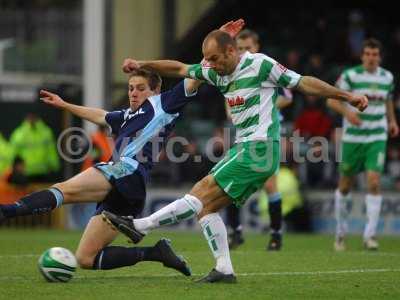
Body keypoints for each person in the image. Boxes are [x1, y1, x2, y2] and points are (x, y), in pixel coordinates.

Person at [102, 27, 368, 283]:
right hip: (246, 148)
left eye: (215, 58)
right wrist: (141, 63)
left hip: (260, 147)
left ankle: (142, 226)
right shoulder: (216, 71)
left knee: (201, 189)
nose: (211, 65)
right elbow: (180, 68)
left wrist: (346, 96)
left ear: (231, 52)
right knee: (206, 208)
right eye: (207, 59)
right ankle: (224, 269)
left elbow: (304, 83)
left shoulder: (260, 65)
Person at [0, 69, 201, 276]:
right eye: (131, 88)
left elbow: (194, 77)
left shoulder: (164, 103)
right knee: (86, 258)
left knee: (63, 190)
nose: (133, 93)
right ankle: (156, 253)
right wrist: (64, 105)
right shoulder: (127, 116)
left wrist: (215, 48)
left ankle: (7, 211)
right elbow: (100, 115)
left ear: (156, 90)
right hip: (131, 188)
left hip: (126, 171)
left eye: (140, 89)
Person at [327, 38, 399, 251]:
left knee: (374, 182)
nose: (371, 58)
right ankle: (340, 233)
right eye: (367, 54)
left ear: (380, 57)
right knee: (345, 184)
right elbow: (331, 100)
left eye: (374, 54)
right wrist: (348, 113)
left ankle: (370, 236)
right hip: (353, 139)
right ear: (362, 56)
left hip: (377, 136)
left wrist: (392, 121)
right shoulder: (350, 76)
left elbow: (387, 100)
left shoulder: (387, 77)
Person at [225, 29, 293, 250]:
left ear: (257, 48)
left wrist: (263, 105)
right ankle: (236, 231)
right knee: (233, 183)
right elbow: (229, 108)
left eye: (248, 48)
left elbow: (288, 97)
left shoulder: (266, 69)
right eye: (241, 48)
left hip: (267, 134)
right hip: (243, 135)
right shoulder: (232, 74)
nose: (244, 52)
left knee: (270, 184)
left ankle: (276, 234)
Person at [10, 113, 60, 182]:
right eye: (29, 116)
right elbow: (13, 153)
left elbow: (51, 151)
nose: (31, 118)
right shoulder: (19, 134)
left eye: (33, 116)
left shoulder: (46, 132)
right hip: (26, 174)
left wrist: (54, 166)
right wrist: (14, 168)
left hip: (44, 172)